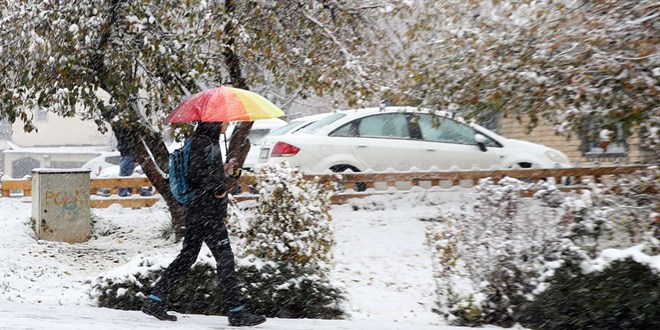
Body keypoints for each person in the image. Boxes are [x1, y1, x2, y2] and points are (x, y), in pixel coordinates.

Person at [141, 121, 266, 327]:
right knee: (225, 258)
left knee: (187, 256)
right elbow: (196, 174)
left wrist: (224, 171)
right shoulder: (203, 143)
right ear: (215, 123)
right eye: (224, 121)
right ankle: (236, 312)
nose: (227, 124)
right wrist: (218, 186)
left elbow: (203, 172)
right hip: (206, 213)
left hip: (199, 211)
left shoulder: (206, 142)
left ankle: (155, 299)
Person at [115, 126, 137, 197]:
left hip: (127, 154)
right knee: (127, 175)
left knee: (123, 175)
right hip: (128, 154)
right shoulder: (127, 131)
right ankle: (129, 192)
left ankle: (124, 193)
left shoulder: (124, 131)